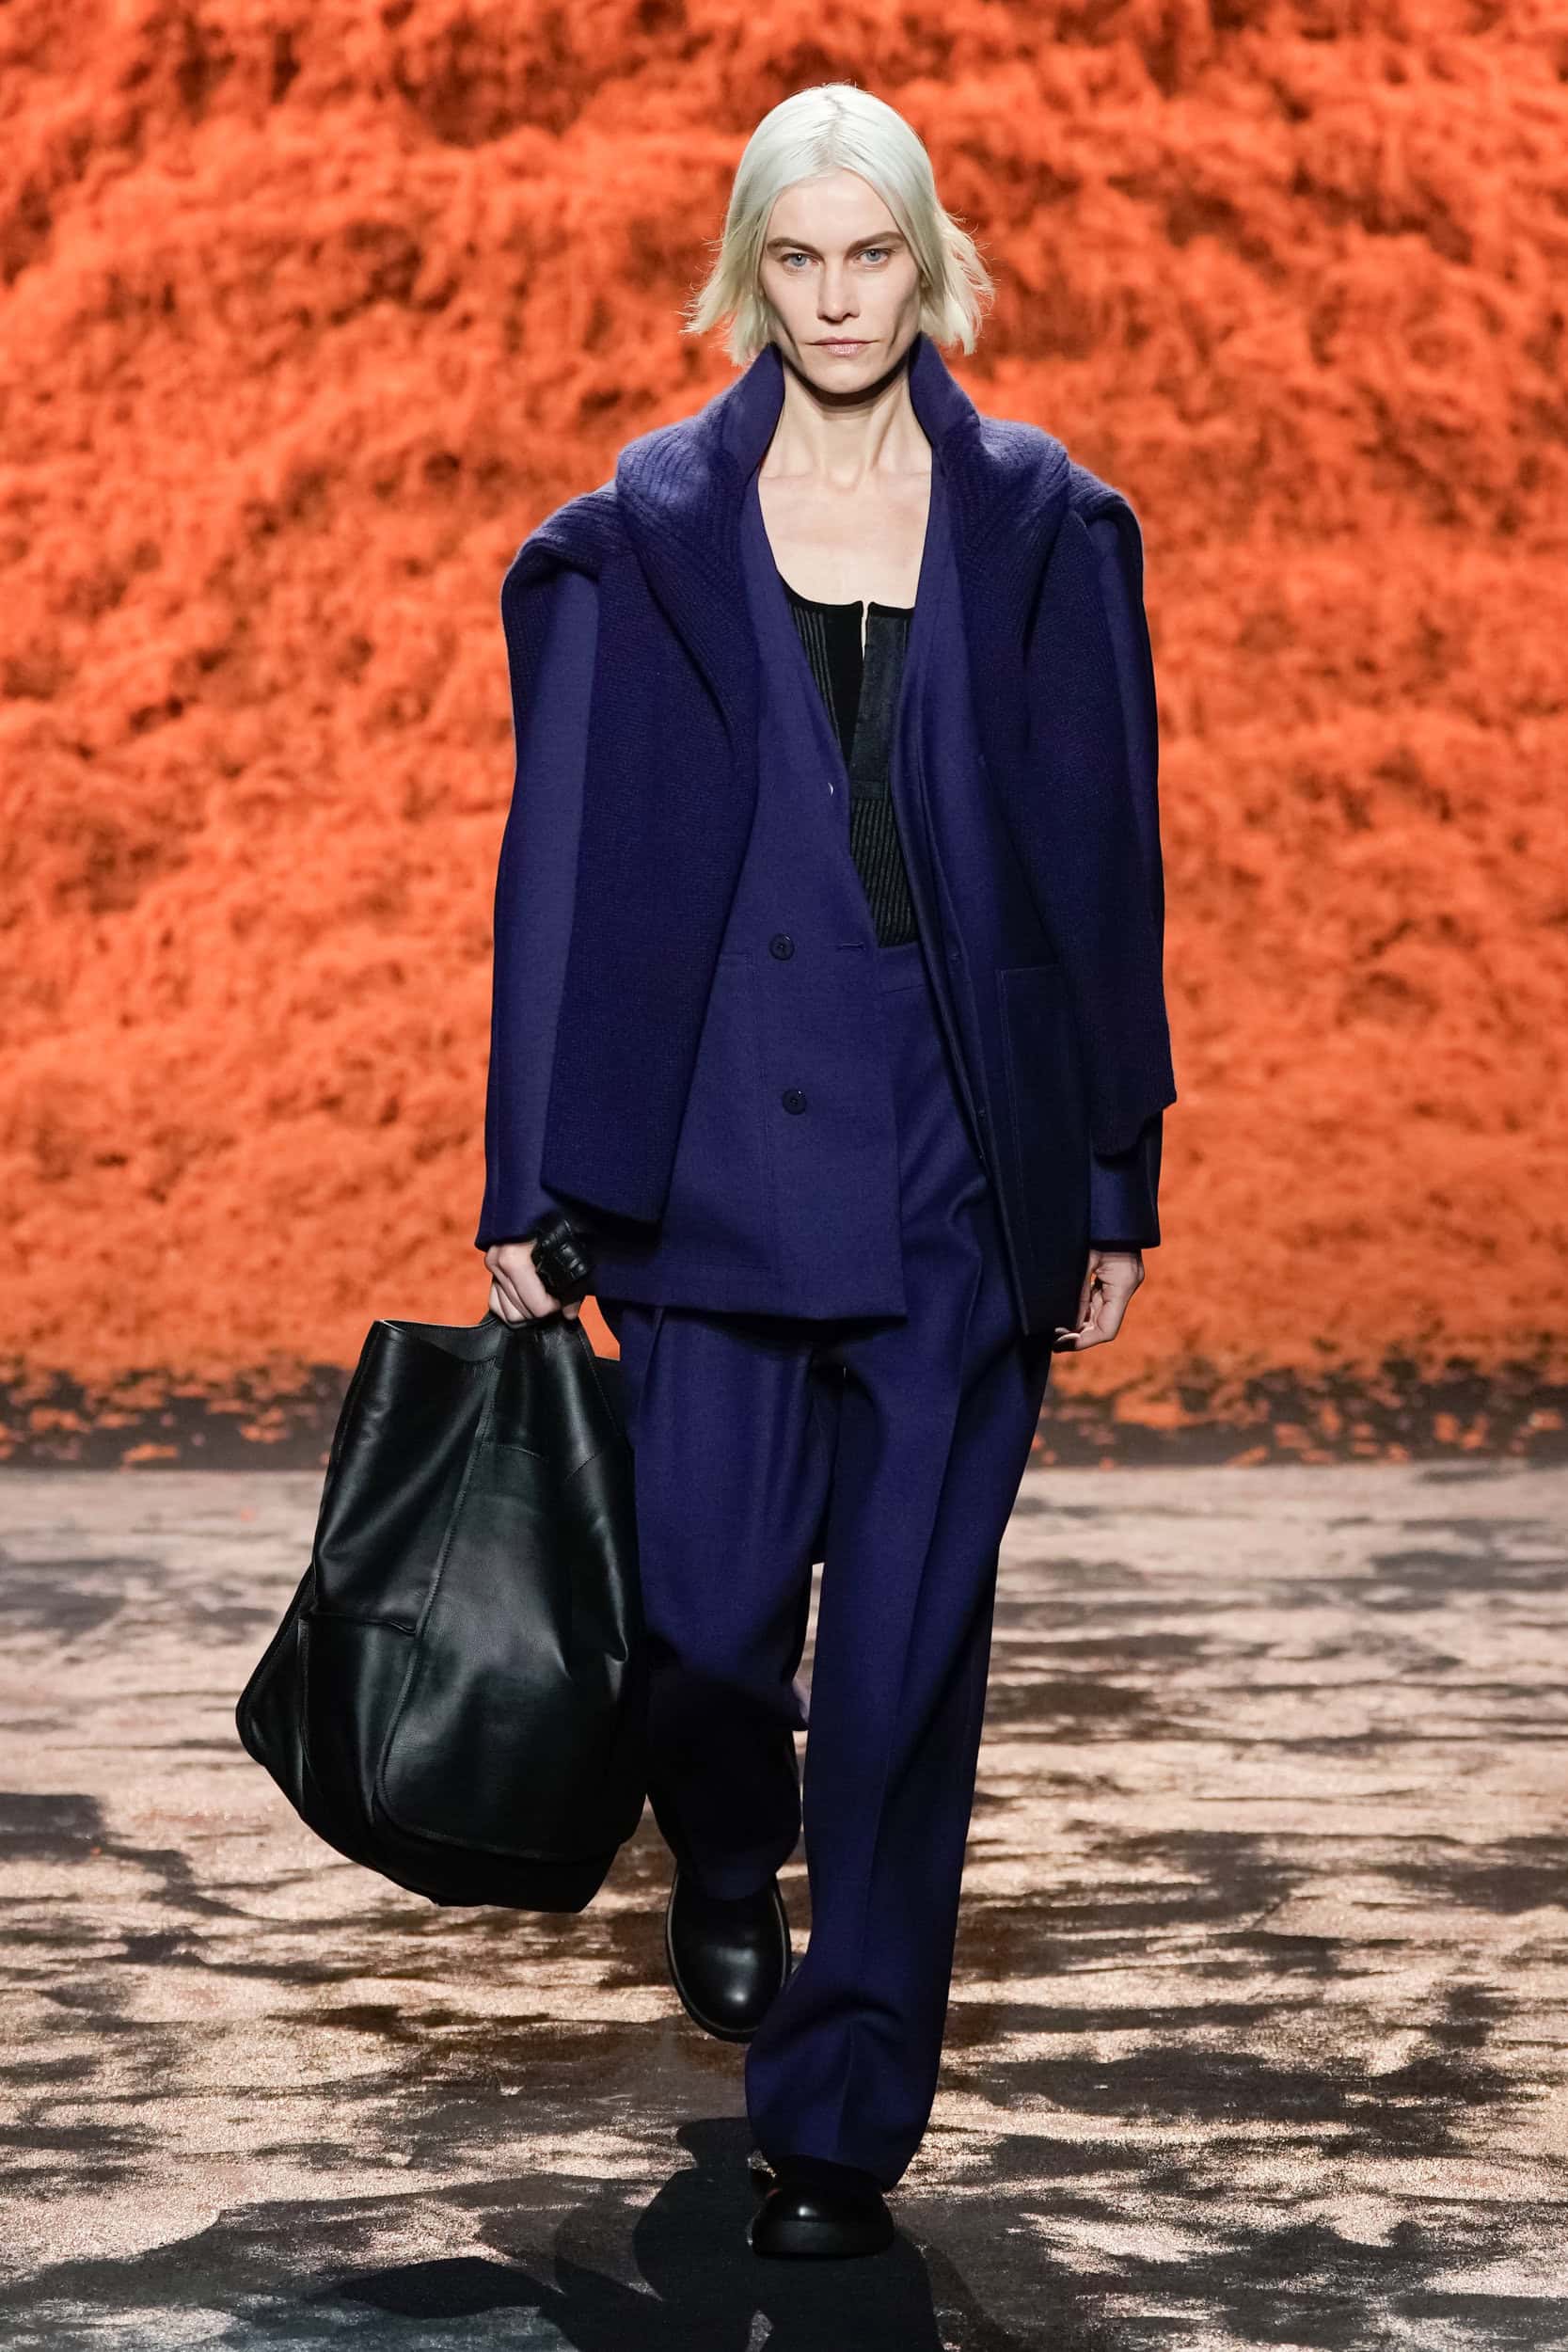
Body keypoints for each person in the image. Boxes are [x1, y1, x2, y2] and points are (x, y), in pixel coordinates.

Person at [475, 83, 1175, 2260]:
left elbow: (1106, 863)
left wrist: (1114, 1165)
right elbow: (557, 867)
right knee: (701, 1629)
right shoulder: (643, 534)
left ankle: (842, 2124)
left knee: (900, 1675)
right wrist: (526, 1177)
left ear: (927, 263)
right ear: (749, 272)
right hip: (708, 1150)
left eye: (874, 254)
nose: (841, 295)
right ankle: (718, 1835)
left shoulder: (1044, 524)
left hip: (962, 1153)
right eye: (800, 256)